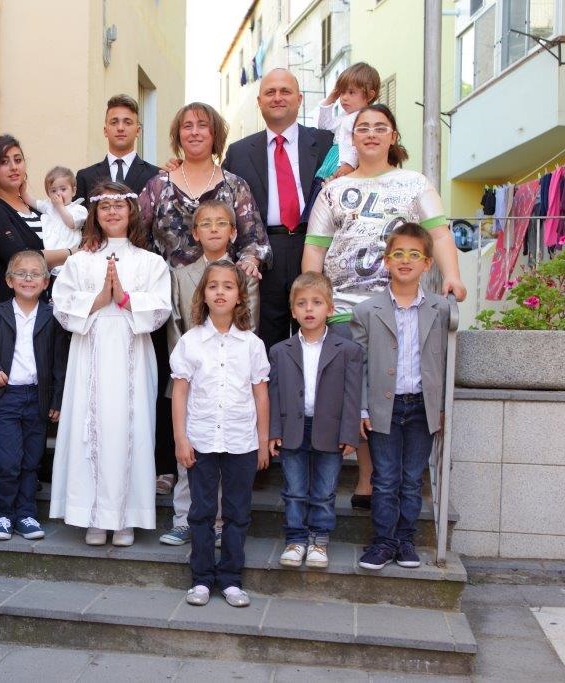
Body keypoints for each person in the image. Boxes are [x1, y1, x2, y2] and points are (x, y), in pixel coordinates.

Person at [301, 104, 466, 510]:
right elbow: (315, 248)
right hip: (344, 308)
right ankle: (367, 475)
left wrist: (453, 276)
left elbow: (440, 235)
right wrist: (312, 294)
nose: (371, 134)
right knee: (354, 394)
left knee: (388, 391)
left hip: (400, 307)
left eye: (380, 127)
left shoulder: (414, 183)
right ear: (352, 139)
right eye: (363, 129)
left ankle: (388, 478)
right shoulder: (333, 190)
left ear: (393, 136)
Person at [141, 101, 271, 497]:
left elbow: (256, 242)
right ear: (177, 135)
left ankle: (235, 460)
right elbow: (136, 235)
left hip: (222, 298)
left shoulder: (235, 184)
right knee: (173, 378)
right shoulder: (158, 184)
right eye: (186, 126)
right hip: (167, 297)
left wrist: (246, 264)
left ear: (215, 134)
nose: (194, 132)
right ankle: (168, 463)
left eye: (202, 126)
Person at [50, 181, 171, 546]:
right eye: (106, 207)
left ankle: (125, 517)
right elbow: (61, 303)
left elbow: (161, 307)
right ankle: (92, 515)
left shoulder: (150, 261)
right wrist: (100, 298)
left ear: (132, 211)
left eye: (120, 205)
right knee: (90, 425)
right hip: (90, 348)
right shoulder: (80, 261)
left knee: (127, 426)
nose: (113, 212)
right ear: (95, 214)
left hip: (132, 349)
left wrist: (125, 299)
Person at [170, 260, 270, 608]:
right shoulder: (190, 341)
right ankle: (201, 579)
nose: (220, 292)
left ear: (240, 295)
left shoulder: (252, 344)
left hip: (241, 440)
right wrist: (181, 439)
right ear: (204, 295)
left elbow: (260, 394)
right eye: (213, 286)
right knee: (201, 510)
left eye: (228, 286)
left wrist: (262, 442)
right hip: (201, 439)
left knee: (237, 511)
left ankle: (230, 579)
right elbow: (180, 392)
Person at [160, 199, 259, 547]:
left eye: (221, 223)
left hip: (230, 373)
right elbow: (175, 323)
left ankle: (217, 524)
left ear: (233, 232)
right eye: (206, 224)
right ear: (195, 232)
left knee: (223, 453)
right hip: (191, 373)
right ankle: (184, 519)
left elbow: (251, 321)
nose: (214, 229)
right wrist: (184, 369)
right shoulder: (181, 274)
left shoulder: (244, 274)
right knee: (191, 453)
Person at [351, 223, 450, 571]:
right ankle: (383, 542)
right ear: (386, 261)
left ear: (427, 263)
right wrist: (362, 407)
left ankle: (405, 540)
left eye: (414, 255)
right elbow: (359, 364)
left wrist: (441, 408)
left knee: (412, 479)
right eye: (398, 254)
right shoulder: (367, 311)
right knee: (386, 476)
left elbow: (448, 363)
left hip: (422, 407)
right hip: (384, 407)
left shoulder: (441, 310)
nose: (405, 261)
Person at [223, 68, 335, 350]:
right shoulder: (238, 152)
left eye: (285, 91)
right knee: (266, 338)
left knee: (314, 333)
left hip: (314, 245)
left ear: (299, 99)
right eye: (270, 92)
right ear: (259, 102)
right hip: (264, 251)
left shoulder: (324, 143)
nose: (277, 98)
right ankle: (270, 393)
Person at [0, 250, 68, 541]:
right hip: (5, 398)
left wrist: (57, 399)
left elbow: (59, 363)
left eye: (35, 274)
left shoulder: (54, 318)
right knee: (7, 460)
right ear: (9, 280)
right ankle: (3, 514)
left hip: (37, 398)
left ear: (46, 282)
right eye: (21, 273)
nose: (28, 279)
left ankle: (26, 514)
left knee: (31, 460)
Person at [268, 272, 362, 569]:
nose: (309, 309)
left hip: (330, 430)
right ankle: (295, 539)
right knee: (294, 489)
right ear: (293, 311)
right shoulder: (279, 351)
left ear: (330, 309)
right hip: (293, 429)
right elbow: (274, 394)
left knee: (324, 491)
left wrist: (349, 432)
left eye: (317, 303)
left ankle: (319, 540)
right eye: (302, 304)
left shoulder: (347, 351)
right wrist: (273, 431)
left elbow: (352, 396)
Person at [0, 135, 74, 305]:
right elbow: (21, 257)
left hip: (45, 307)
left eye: (18, 160)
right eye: (4, 162)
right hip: (10, 311)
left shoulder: (35, 208)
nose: (14, 167)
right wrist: (72, 253)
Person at [75, 94, 160, 201]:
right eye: (114, 122)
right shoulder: (85, 177)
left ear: (138, 131)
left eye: (127, 122)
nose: (120, 128)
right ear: (105, 131)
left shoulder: (155, 176)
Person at [316, 62, 380, 181]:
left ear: (370, 96)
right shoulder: (343, 116)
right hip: (332, 159)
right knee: (321, 191)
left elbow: (361, 144)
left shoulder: (366, 119)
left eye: (351, 92)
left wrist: (349, 164)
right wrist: (330, 99)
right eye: (342, 92)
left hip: (346, 164)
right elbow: (323, 126)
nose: (344, 97)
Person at [26, 166, 87, 260]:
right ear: (48, 194)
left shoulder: (78, 209)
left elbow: (71, 223)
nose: (58, 194)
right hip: (51, 256)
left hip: (71, 256)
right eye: (53, 191)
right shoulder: (49, 206)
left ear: (73, 191)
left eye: (63, 189)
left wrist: (60, 207)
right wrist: (22, 192)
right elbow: (33, 202)